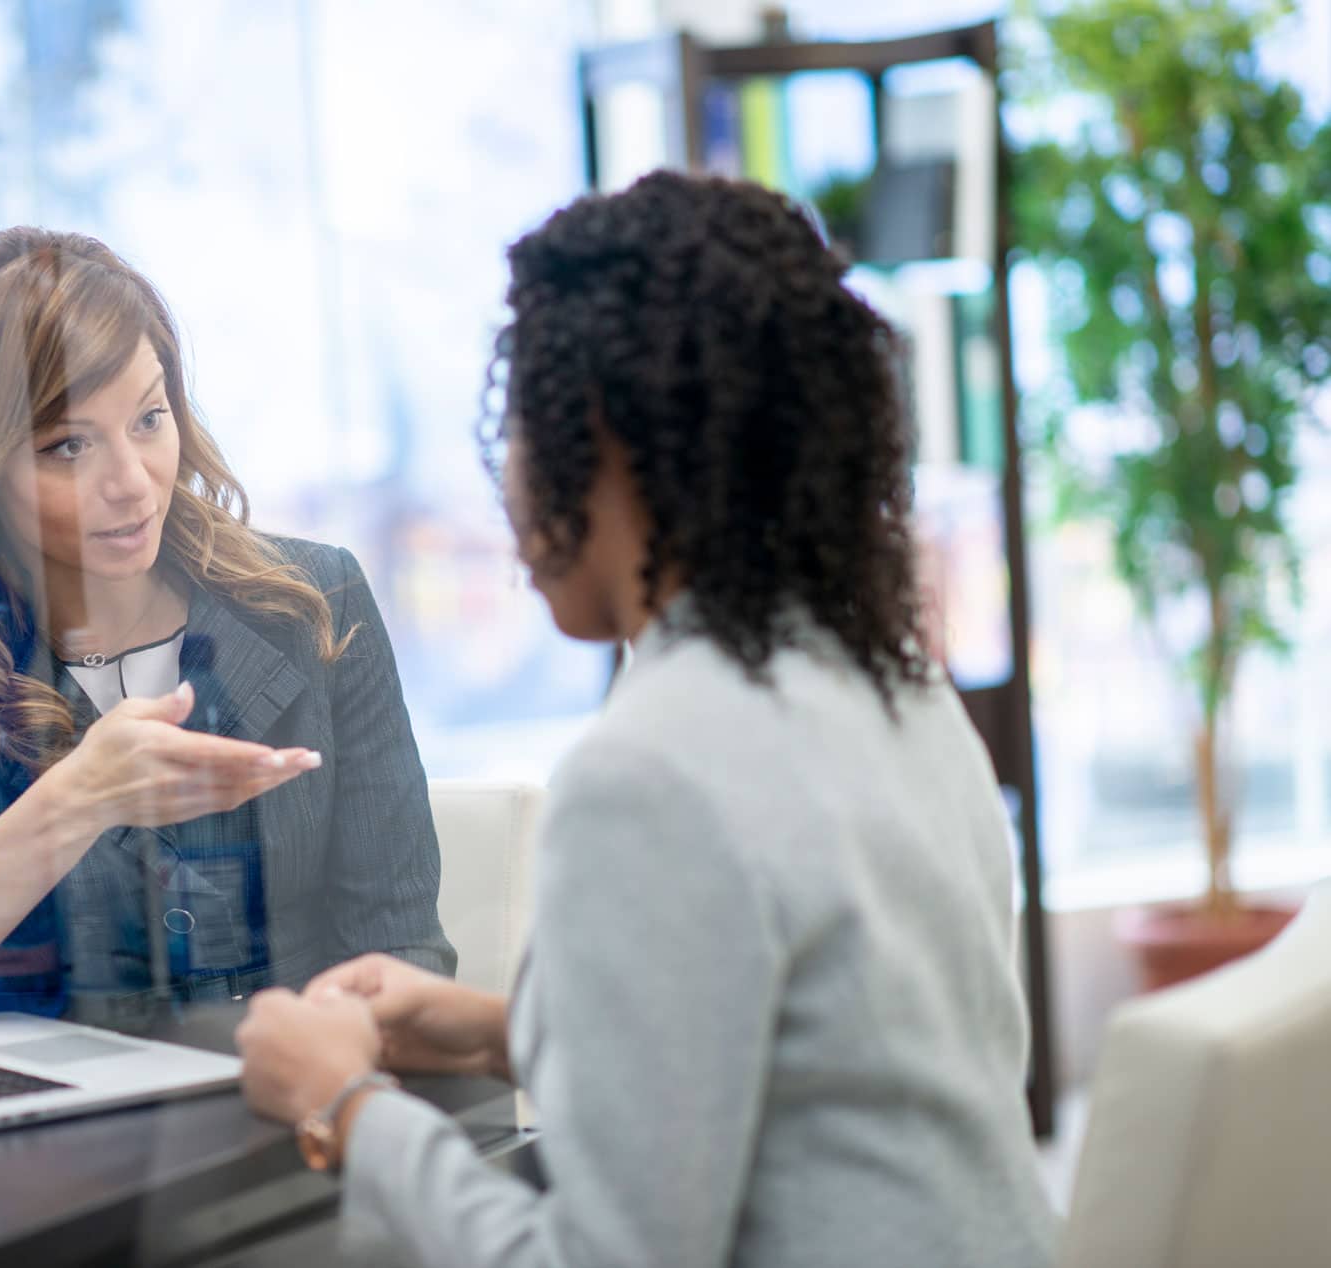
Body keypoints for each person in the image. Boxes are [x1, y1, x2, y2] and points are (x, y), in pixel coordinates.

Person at [234, 171, 1059, 1267]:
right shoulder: (898, 694)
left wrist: (343, 1100)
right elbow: (835, 1069)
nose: (509, 484)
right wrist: (500, 1026)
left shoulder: (651, 770)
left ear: (599, 438)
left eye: (517, 428)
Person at [0, 227, 454, 1017]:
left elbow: (399, 943)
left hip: (296, 1094)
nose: (131, 482)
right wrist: (80, 797)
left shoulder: (313, 600)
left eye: (150, 419)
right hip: (51, 1117)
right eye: (67, 445)